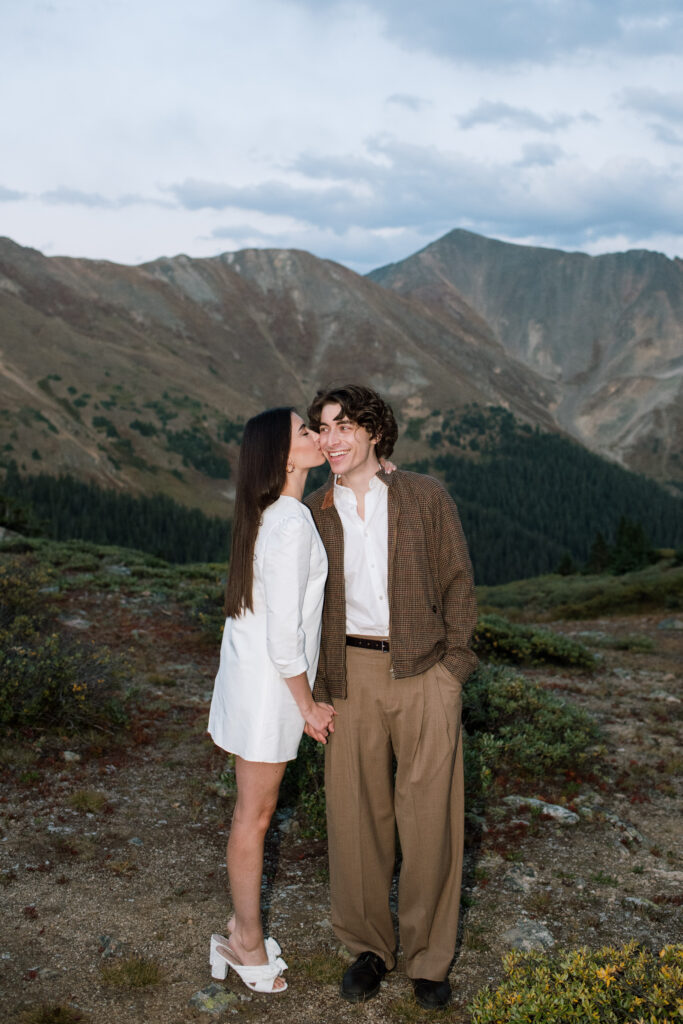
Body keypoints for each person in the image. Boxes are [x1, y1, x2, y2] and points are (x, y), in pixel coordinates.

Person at [305, 384, 478, 1011]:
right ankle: (369, 948)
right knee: (355, 817)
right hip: (348, 676)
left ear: (375, 433)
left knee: (430, 818)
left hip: (424, 671)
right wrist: (315, 693)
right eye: (324, 428)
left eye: (345, 425)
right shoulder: (314, 510)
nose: (332, 439)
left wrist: (453, 670)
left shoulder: (424, 495)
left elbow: (459, 583)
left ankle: (429, 958)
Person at [207, 406, 336, 994]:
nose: (317, 437)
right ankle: (244, 943)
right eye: (306, 431)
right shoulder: (289, 522)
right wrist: (307, 704)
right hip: (270, 690)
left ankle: (240, 924)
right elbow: (286, 634)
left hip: (253, 679)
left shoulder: (272, 515)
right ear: (284, 456)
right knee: (254, 819)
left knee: (250, 815)